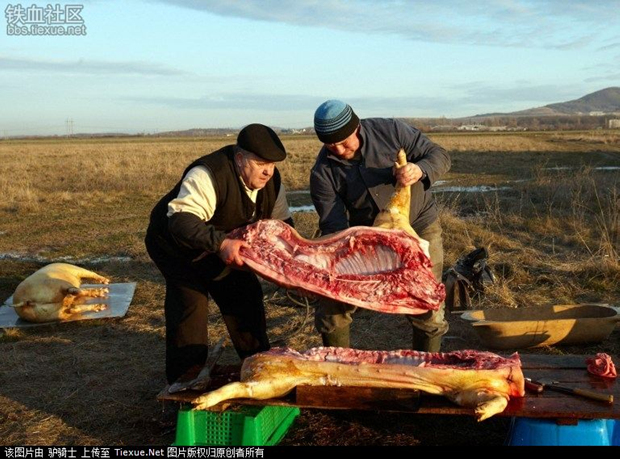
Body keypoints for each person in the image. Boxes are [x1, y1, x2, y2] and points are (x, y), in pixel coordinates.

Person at [145, 123, 293, 384]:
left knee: (245, 296)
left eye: (272, 164)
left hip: (221, 245)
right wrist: (222, 244)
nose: (268, 171)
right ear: (240, 158)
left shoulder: (273, 182)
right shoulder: (208, 174)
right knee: (190, 305)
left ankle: (259, 368)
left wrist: (293, 263)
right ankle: (184, 384)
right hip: (176, 247)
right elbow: (181, 221)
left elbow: (282, 227)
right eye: (260, 163)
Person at [310, 100, 451, 352]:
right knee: (333, 299)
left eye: (344, 142)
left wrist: (419, 169)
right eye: (331, 146)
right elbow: (333, 224)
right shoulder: (322, 172)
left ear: (356, 128)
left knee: (426, 300)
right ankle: (337, 362)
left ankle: (426, 365)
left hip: (419, 225)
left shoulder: (392, 131)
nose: (339, 150)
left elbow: (439, 155)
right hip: (368, 236)